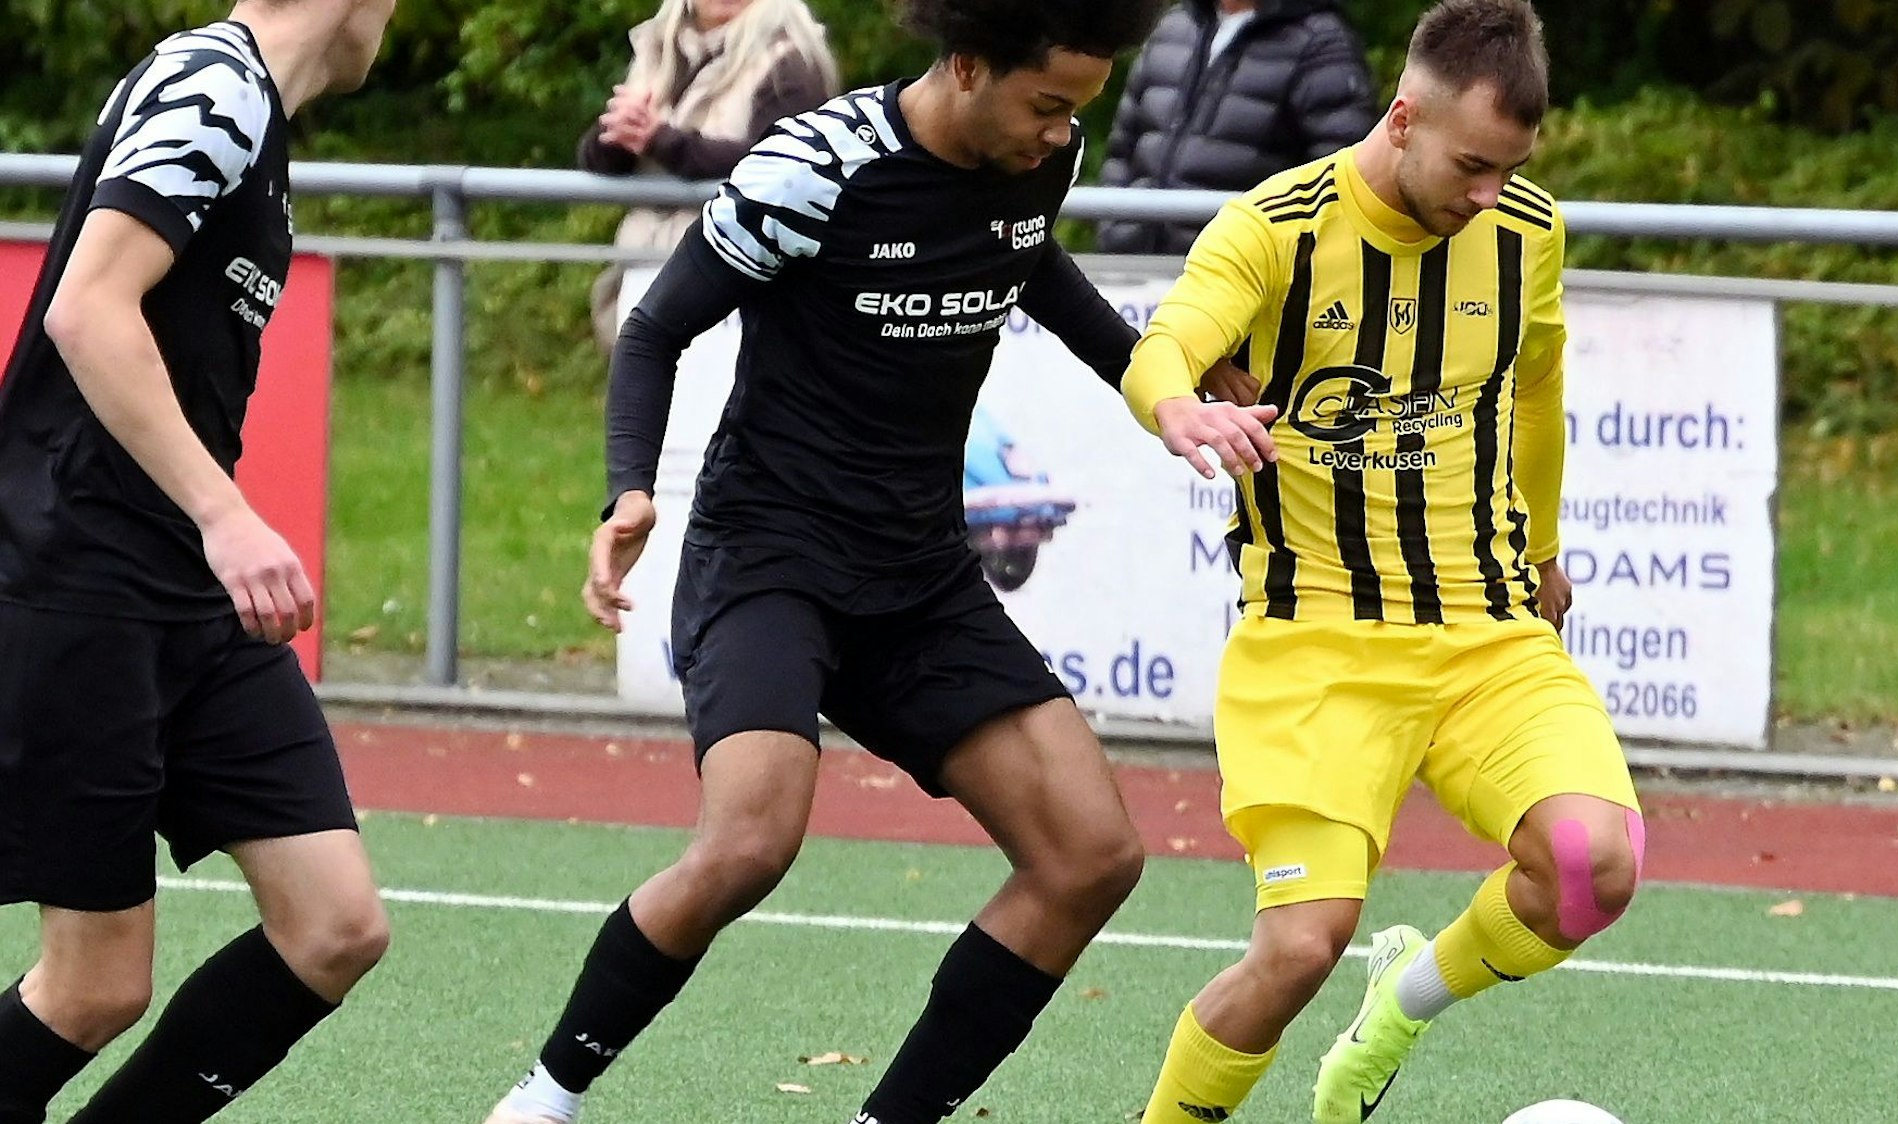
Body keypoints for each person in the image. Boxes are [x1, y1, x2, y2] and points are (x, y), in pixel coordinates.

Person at [479, 1, 1265, 1122]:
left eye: (1076, 111)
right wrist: (628, 488)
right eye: (1045, 104)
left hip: (918, 572)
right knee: (750, 838)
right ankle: (547, 1091)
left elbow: (1031, 263)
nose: (1060, 135)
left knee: (1090, 853)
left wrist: (1169, 393)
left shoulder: (1044, 148)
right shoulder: (814, 167)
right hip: (772, 553)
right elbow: (656, 326)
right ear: (966, 62)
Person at [1119, 2, 1644, 1121]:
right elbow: (1167, 341)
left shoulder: (1526, 231)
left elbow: (1538, 382)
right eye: (1468, 164)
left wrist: (1543, 546)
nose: (1485, 194)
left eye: (1509, 169)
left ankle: (1400, 1003)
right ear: (1401, 118)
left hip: (1486, 632)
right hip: (1314, 644)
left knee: (1592, 865)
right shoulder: (1274, 228)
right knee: (1299, 947)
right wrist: (1175, 406)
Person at [0, 2, 398, 1122]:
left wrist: (211, 533)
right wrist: (229, 517)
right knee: (94, 986)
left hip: (190, 594)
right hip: (82, 581)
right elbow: (89, 309)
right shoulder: (213, 85)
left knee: (334, 924)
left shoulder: (255, 115)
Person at [579, 0, 839, 350]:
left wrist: (662, 141)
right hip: (647, 267)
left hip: (735, 281)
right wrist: (618, 133)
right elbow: (599, 161)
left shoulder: (791, 64)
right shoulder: (660, 50)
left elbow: (782, 165)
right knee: (643, 403)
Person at [1096, 0, 1375, 256]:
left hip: (1236, 274)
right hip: (1133, 273)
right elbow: (1123, 148)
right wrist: (1114, 228)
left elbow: (1338, 179)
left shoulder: (1321, 42)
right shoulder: (1175, 26)